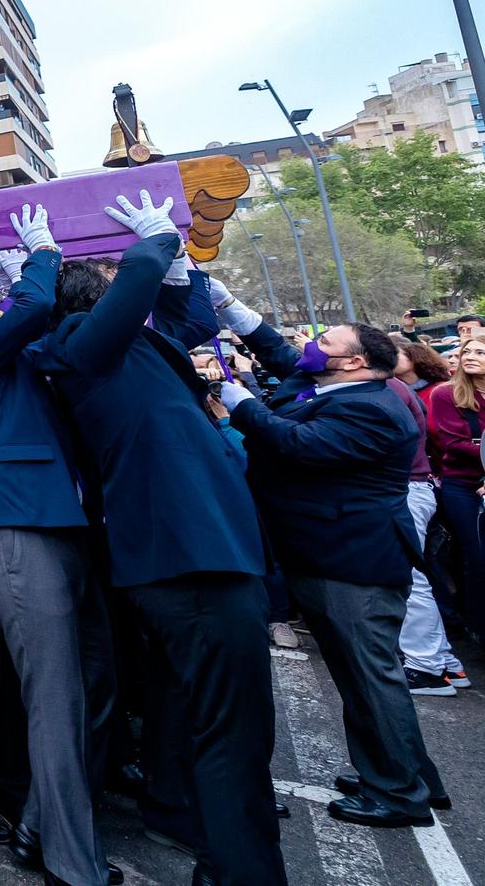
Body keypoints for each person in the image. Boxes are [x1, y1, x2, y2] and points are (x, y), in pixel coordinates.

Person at [27, 196, 284, 886]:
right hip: (188, 559)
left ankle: (178, 812)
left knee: (184, 708)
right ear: (93, 297)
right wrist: (152, 242)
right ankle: (241, 872)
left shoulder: (133, 344)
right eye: (115, 276)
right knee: (236, 732)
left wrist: (173, 264)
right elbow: (125, 302)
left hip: (193, 555)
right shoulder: (78, 344)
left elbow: (190, 320)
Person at [0, 205, 115, 886]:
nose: (3, 304)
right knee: (56, 695)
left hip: (59, 522)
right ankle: (72, 862)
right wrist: (39, 252)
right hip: (11, 526)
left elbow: (55, 329)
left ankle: (40, 825)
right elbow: (34, 307)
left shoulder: (13, 351)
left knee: (93, 680)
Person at [216, 307, 445, 828]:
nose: (314, 346)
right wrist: (235, 312)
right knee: (362, 676)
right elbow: (286, 358)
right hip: (333, 554)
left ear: (353, 362)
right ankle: (405, 774)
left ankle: (399, 793)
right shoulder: (345, 387)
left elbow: (300, 444)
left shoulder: (373, 408)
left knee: (369, 679)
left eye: (326, 342)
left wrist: (242, 403)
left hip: (352, 561)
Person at [390, 340, 466, 691]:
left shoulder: (393, 390)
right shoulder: (398, 389)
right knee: (416, 576)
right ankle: (444, 661)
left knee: (410, 578)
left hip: (411, 489)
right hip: (418, 488)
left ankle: (427, 668)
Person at [425, 338, 485, 670]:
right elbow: (455, 444)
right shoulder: (446, 394)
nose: (470, 357)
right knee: (478, 557)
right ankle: (477, 630)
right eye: (466, 352)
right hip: (462, 486)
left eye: (479, 352)